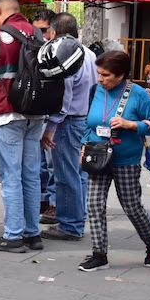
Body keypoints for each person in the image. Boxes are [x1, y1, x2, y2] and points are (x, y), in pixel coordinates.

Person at [78, 50, 150, 272]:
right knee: (94, 205)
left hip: (126, 158)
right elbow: (89, 123)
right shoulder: (96, 91)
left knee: (131, 206)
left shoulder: (138, 94)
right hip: (97, 155)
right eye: (99, 73)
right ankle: (99, 253)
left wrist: (131, 125)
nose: (101, 79)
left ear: (121, 75)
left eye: (106, 75)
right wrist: (84, 145)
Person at [0, 0, 46, 253]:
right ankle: (33, 233)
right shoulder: (39, 35)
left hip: (8, 112)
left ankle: (13, 234)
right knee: (31, 173)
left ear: (1, 12)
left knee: (10, 175)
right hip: (37, 112)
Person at [40, 13, 97, 242]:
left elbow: (66, 94)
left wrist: (51, 126)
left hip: (70, 120)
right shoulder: (90, 54)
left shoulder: (67, 55)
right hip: (85, 117)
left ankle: (71, 225)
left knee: (66, 175)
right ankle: (76, 217)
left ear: (54, 33)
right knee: (78, 173)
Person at [33, 9, 57, 223]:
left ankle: (54, 204)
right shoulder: (36, 50)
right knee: (39, 162)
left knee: (52, 163)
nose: (40, 35)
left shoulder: (58, 53)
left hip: (55, 116)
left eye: (44, 30)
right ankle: (41, 199)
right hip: (38, 113)